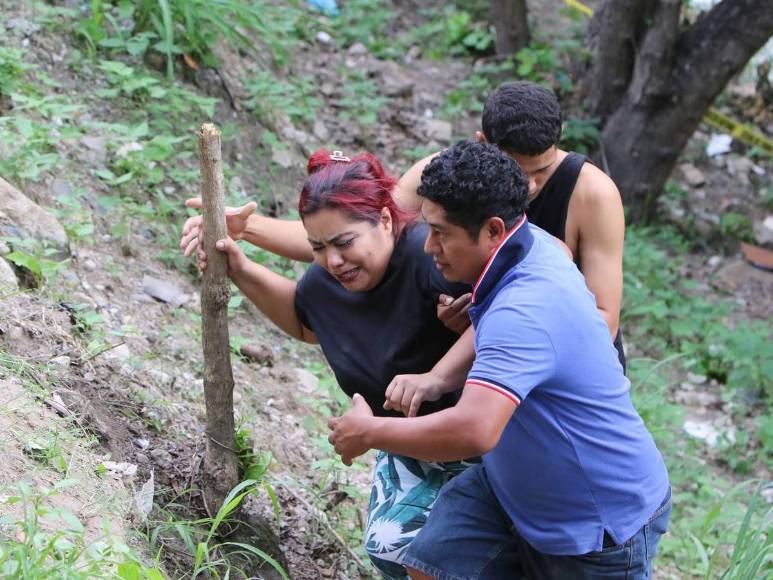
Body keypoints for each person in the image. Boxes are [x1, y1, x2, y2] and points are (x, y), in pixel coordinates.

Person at [328, 141, 670, 579]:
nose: (429, 246)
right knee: (432, 565)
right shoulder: (532, 244)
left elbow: (474, 429)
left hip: (593, 518)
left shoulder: (524, 308)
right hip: (513, 486)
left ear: (492, 230)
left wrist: (369, 432)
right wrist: (440, 378)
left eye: (442, 233)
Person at [180, 81, 626, 367]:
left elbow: (602, 320)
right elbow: (359, 233)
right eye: (514, 168)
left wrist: (487, 326)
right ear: (481, 143)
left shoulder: (593, 194)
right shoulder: (444, 174)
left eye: (541, 172)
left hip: (565, 359)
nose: (526, 186)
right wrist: (244, 228)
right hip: (477, 362)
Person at [189, 149, 476, 579]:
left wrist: (438, 376)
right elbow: (305, 321)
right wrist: (240, 268)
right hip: (408, 447)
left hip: (481, 441)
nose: (334, 261)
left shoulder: (429, 257)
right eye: (318, 248)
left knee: (445, 554)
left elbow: (504, 309)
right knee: (391, 547)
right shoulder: (325, 284)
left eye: (344, 243)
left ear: (384, 220)